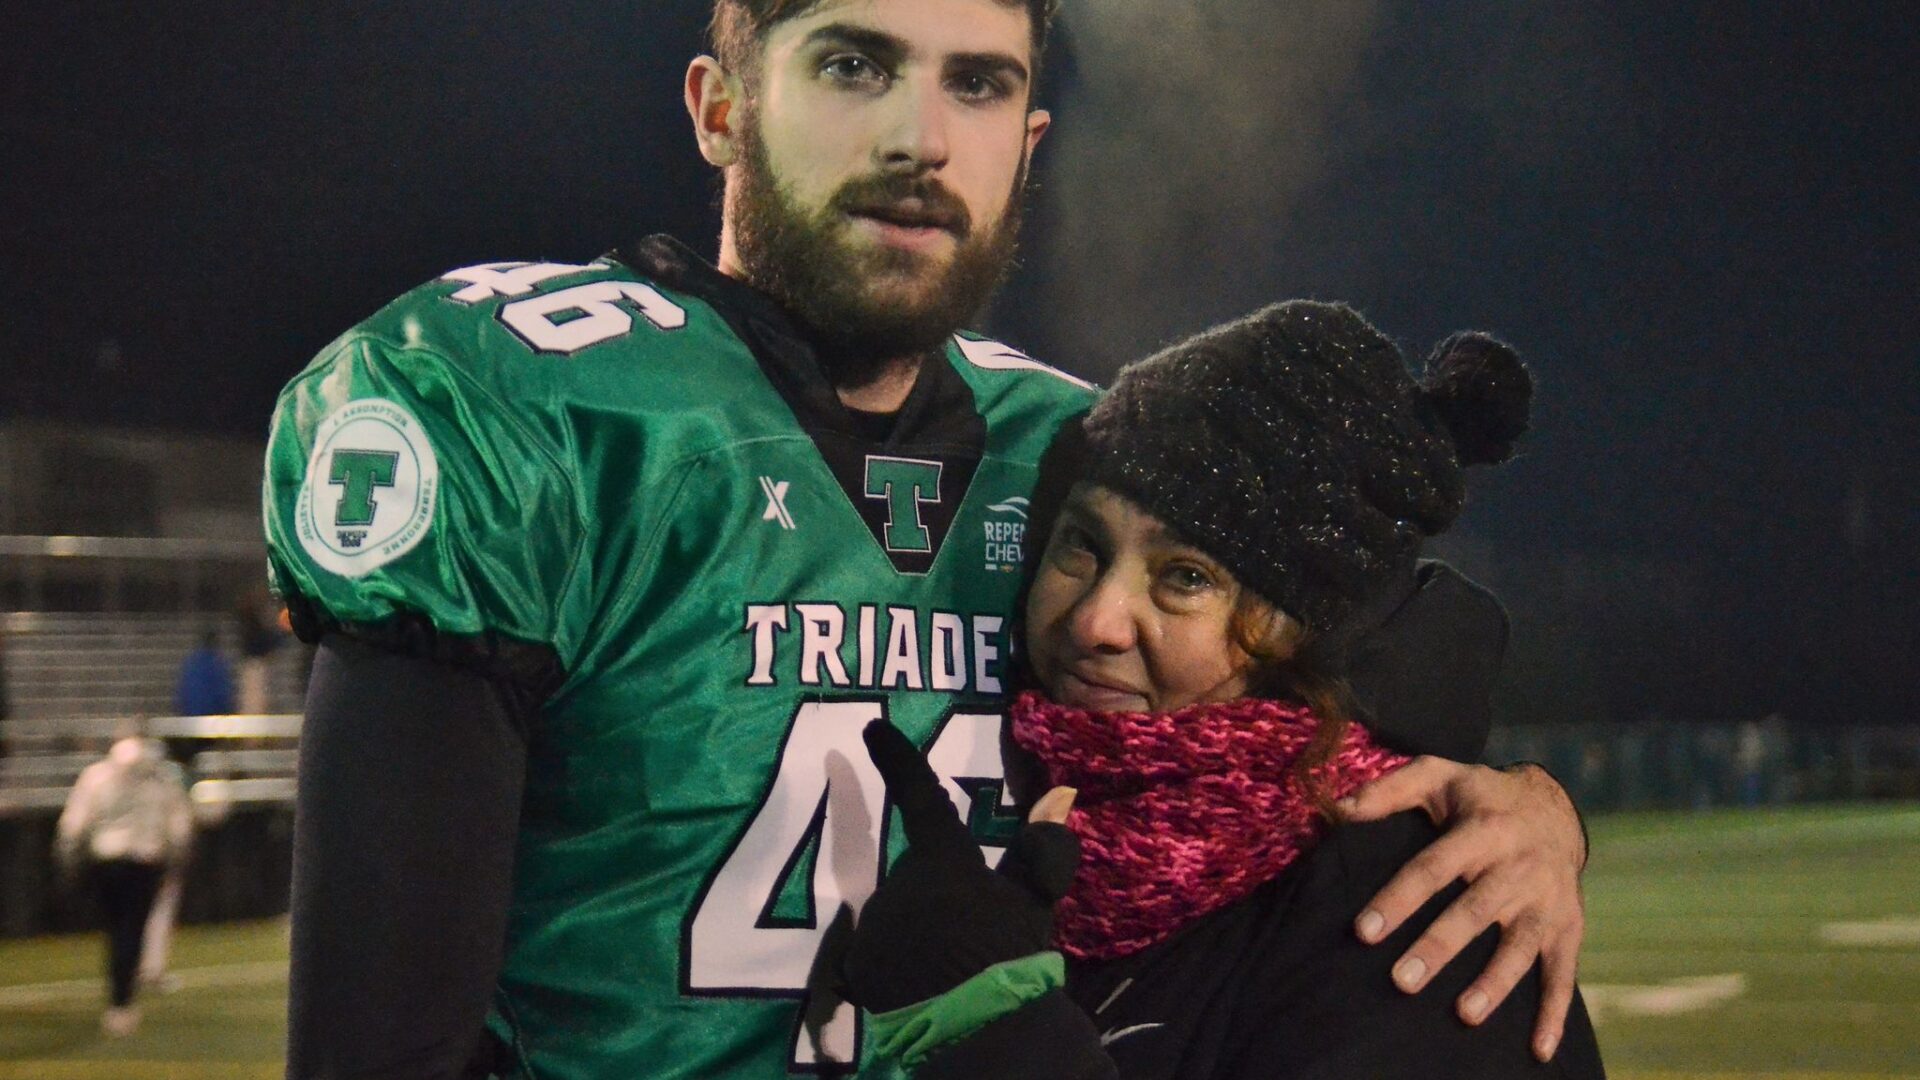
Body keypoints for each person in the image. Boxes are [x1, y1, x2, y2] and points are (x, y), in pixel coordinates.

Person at [265, 3, 1587, 1077]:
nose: (920, 135)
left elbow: (1369, 652)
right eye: (854, 64)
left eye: (979, 84)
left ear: (1029, 137)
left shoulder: (1075, 458)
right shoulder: (540, 410)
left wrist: (1525, 809)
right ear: (721, 107)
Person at [843, 301, 1603, 1078]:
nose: (1097, 620)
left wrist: (996, 1030)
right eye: (1081, 545)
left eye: (1186, 578)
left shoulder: (1419, 912)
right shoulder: (1046, 793)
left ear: (1302, 630)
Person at [55, 719, 194, 1038]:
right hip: (144, 862)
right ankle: (122, 1001)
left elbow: (75, 823)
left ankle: (120, 996)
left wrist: (68, 855)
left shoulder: (97, 775)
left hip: (107, 861)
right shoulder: (161, 777)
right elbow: (178, 823)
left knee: (118, 930)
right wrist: (177, 853)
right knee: (131, 930)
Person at [174, 629, 237, 717]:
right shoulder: (218, 664)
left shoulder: (191, 662)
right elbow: (223, 693)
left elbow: (183, 690)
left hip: (192, 714)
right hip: (212, 716)